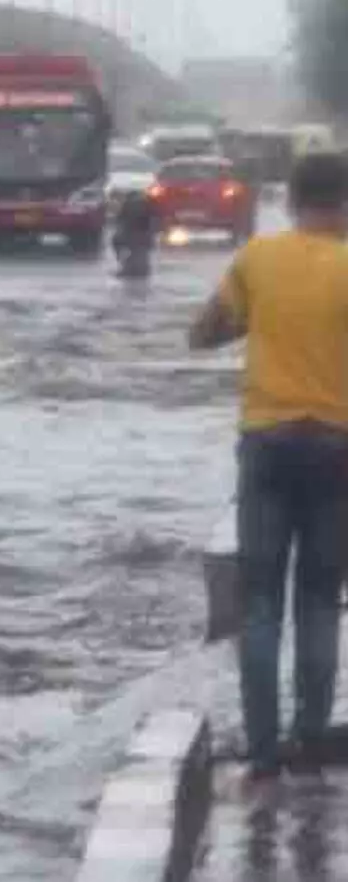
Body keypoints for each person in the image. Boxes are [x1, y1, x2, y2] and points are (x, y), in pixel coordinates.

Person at [188, 152, 348, 785]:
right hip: (338, 448)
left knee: (260, 604)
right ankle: (308, 740)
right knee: (319, 599)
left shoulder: (258, 259)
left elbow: (203, 333)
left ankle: (260, 752)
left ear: (292, 201)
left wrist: (264, 317)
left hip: (267, 444)